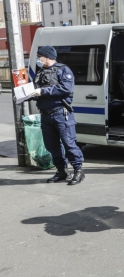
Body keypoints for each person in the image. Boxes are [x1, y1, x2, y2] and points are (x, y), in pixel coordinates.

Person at [32, 46, 85, 185]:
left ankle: (78, 171)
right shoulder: (41, 72)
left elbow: (66, 88)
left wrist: (43, 91)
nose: (38, 59)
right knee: (52, 146)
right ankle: (62, 171)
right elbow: (35, 91)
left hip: (61, 113)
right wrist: (23, 96)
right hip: (45, 114)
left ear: (47, 57)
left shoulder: (63, 70)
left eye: (39, 56)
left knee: (69, 143)